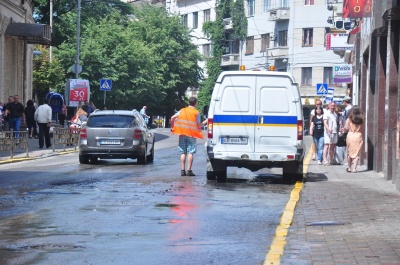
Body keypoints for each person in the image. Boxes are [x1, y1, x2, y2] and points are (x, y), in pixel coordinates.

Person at [171, 97, 207, 176]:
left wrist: (173, 127)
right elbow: (199, 125)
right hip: (191, 134)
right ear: (196, 103)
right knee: (190, 152)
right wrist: (206, 121)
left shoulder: (182, 110)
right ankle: (189, 171)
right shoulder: (196, 112)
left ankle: (182, 171)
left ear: (189, 102)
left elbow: (172, 117)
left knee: (183, 152)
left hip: (182, 134)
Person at [344, 106, 364, 173]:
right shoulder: (362, 119)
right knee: (356, 153)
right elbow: (362, 129)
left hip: (350, 135)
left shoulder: (349, 119)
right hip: (358, 135)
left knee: (349, 152)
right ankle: (354, 168)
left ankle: (349, 167)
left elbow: (346, 127)